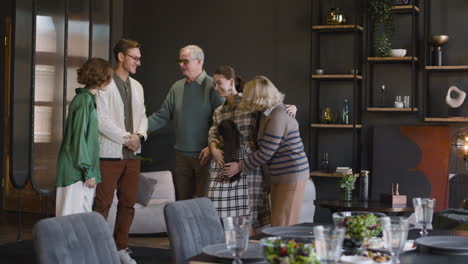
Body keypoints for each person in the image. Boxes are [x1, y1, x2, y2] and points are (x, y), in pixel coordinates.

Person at [223, 76, 313, 227]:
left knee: (284, 223)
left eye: (249, 96)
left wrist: (239, 166)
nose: (247, 100)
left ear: (259, 97)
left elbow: (266, 152)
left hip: (292, 173)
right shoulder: (268, 113)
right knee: (279, 222)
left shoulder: (278, 116)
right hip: (282, 173)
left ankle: (287, 250)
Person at [93, 38, 148, 264]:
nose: (138, 62)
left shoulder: (137, 86)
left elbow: (143, 116)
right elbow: (102, 121)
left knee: (128, 203)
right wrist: (128, 139)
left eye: (139, 58)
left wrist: (140, 136)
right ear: (121, 57)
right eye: (134, 58)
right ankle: (97, 249)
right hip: (109, 155)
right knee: (102, 204)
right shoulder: (103, 84)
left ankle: (120, 248)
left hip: (132, 156)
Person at [147, 45, 224, 200]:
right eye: (179, 61)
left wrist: (212, 147)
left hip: (206, 156)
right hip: (181, 157)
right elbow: (162, 116)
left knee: (205, 205)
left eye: (185, 61)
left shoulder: (213, 87)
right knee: (184, 204)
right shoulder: (177, 87)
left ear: (199, 61)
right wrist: (136, 129)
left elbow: (224, 123)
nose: (180, 65)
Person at [207, 65, 270, 230]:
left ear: (231, 82)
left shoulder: (250, 103)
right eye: (214, 84)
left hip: (249, 165)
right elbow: (213, 134)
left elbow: (273, 109)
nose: (216, 88)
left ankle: (248, 253)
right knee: (222, 216)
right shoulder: (219, 111)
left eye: (219, 83)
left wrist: (291, 107)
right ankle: (230, 251)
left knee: (249, 218)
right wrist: (213, 149)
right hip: (225, 162)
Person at [55, 58, 112, 217]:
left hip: (80, 169)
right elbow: (79, 138)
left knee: (80, 220)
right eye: (108, 76)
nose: (110, 80)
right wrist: (88, 171)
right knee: (70, 220)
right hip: (75, 171)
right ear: (100, 77)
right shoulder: (84, 100)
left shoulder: (87, 98)